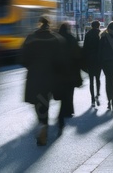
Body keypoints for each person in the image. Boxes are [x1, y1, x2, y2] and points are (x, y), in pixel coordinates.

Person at [21, 16, 66, 146]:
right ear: (49, 25)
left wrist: (32, 66)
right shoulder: (57, 39)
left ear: (39, 24)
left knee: (38, 103)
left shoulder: (30, 39)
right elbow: (62, 60)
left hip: (35, 77)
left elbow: (23, 59)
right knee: (45, 101)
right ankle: (44, 124)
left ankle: (42, 124)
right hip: (52, 77)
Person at [56, 22, 83, 131]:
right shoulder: (72, 38)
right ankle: (69, 110)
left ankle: (63, 110)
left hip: (58, 70)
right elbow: (77, 54)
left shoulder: (56, 38)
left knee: (61, 90)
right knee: (69, 91)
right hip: (71, 69)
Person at [83, 20, 102, 107]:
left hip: (90, 60)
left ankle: (92, 99)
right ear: (98, 26)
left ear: (91, 26)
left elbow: (84, 48)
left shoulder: (88, 34)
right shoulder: (101, 34)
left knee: (91, 80)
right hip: (98, 59)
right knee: (98, 79)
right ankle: (97, 94)